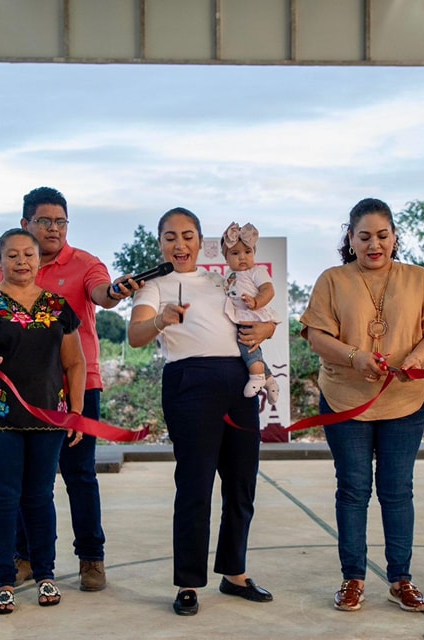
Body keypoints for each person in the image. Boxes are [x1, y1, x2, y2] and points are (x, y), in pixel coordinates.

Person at [0, 186, 134, 592]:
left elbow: (103, 294)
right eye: (45, 221)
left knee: (78, 476)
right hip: (7, 396)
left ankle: (90, 558)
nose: (54, 228)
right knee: (16, 486)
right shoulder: (6, 268)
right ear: (26, 223)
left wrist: (115, 291)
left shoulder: (84, 264)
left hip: (72, 390)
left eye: (61, 221)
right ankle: (22, 559)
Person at [299, 198, 424, 614]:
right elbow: (317, 336)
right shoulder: (332, 279)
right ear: (350, 239)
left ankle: (401, 579)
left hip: (404, 401)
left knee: (397, 490)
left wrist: (417, 358)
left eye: (382, 235)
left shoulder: (418, 279)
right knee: (353, 489)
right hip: (344, 401)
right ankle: (353, 578)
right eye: (364, 237)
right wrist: (355, 356)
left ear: (395, 237)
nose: (374, 244)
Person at [128, 207, 276, 616]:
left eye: (188, 235)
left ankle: (235, 573)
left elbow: (252, 317)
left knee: (242, 482)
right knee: (195, 485)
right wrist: (160, 320)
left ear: (200, 241)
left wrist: (268, 328)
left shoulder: (220, 280)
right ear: (160, 243)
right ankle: (188, 582)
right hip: (189, 383)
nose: (180, 244)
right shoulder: (154, 286)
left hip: (238, 382)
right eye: (171, 237)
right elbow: (136, 335)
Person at [0, 228, 86, 614]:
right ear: (0, 261)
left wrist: (76, 411)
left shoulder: (58, 306)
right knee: (1, 497)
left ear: (39, 259)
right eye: (12, 255)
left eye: (28, 254)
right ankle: (3, 579)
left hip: (47, 416)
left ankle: (46, 573)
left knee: (40, 496)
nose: (21, 261)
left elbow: (75, 362)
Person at [220, 221, 280, 402]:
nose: (242, 257)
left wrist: (256, 302)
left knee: (246, 344)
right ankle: (270, 380)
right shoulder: (229, 275)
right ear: (225, 257)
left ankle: (257, 376)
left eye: (248, 252)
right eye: (235, 253)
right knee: (250, 348)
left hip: (253, 314)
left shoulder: (257, 271)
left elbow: (269, 290)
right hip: (240, 316)